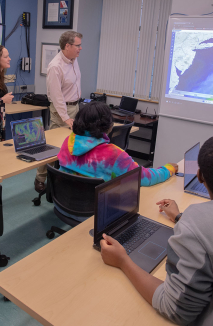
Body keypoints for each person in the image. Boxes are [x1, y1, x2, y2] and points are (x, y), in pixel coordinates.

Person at [100, 135, 213, 326]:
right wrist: (179, 218)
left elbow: (175, 309)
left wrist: (123, 261)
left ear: (200, 176)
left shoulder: (197, 223)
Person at [57, 102, 177, 221]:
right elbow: (145, 177)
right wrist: (169, 169)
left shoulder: (68, 142)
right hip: (95, 215)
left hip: (63, 205)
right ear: (108, 126)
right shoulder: (113, 154)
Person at [34, 31, 83, 193]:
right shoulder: (55, 66)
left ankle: (64, 178)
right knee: (53, 146)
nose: (80, 48)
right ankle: (40, 178)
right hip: (61, 109)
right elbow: (56, 96)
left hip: (75, 107)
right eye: (78, 45)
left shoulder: (73, 60)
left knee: (72, 146)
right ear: (67, 46)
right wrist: (66, 117)